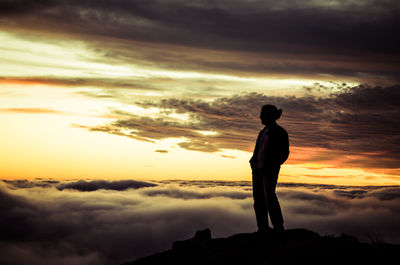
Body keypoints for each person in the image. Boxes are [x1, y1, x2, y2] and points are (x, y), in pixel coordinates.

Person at [249, 104, 289, 232]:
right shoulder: (262, 133)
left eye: (262, 114)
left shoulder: (280, 132)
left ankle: (278, 227)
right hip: (258, 170)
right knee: (258, 199)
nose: (260, 117)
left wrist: (273, 165)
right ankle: (263, 228)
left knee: (269, 198)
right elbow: (257, 151)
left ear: (269, 116)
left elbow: (284, 153)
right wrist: (253, 162)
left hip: (269, 171)